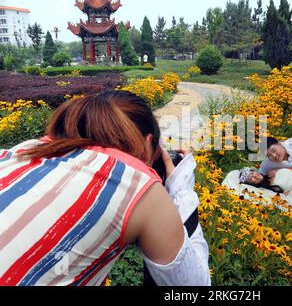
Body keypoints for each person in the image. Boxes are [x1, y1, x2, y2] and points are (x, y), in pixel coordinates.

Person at [0, 90, 211, 286]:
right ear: (148, 143)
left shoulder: (21, 151)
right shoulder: (136, 181)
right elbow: (192, 285)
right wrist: (180, 187)